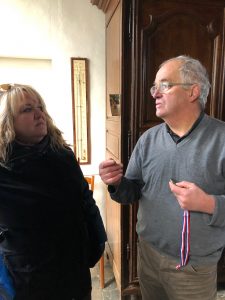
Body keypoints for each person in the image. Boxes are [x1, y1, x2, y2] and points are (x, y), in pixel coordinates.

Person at [99, 55, 225, 300]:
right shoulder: (148, 139)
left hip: (194, 269)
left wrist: (208, 204)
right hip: (148, 257)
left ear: (193, 91)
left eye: (165, 85)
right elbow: (131, 192)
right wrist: (116, 183)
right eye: (155, 87)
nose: (155, 93)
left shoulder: (221, 140)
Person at [0, 83, 107, 300]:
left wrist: (96, 242)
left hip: (74, 269)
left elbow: (85, 200)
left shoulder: (62, 153)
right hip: (29, 277)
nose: (39, 114)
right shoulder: (3, 168)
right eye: (27, 109)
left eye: (40, 107)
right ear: (7, 121)